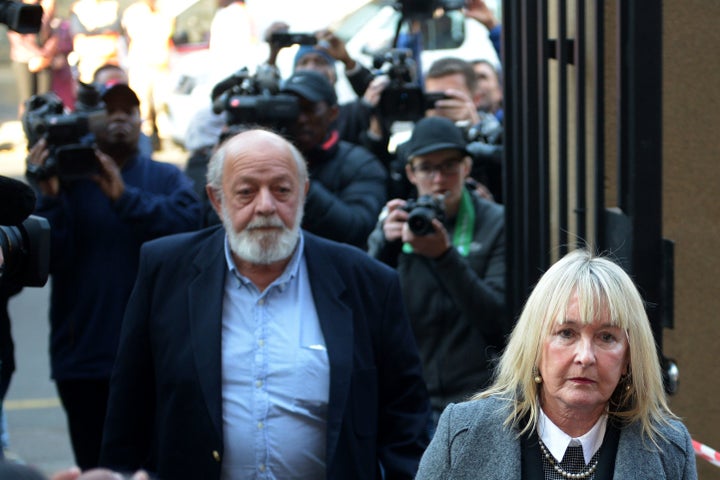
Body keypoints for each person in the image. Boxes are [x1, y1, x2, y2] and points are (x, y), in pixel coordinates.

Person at [99, 128, 431, 479]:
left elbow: (405, 421)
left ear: (303, 194)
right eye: (245, 192)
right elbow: (128, 410)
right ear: (217, 200)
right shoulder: (166, 271)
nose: (266, 206)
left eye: (281, 190)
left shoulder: (367, 282)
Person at [26, 82, 202, 470]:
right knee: (96, 468)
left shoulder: (167, 178)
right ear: (93, 122)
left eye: (130, 109)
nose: (121, 117)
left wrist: (124, 199)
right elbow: (48, 259)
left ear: (142, 121)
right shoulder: (67, 182)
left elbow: (191, 230)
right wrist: (49, 198)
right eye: (111, 110)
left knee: (152, 466)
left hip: (155, 355)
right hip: (84, 357)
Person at [415, 249, 698, 479]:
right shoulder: (464, 433)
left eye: (606, 337)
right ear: (535, 345)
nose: (585, 356)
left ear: (628, 358)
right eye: (567, 333)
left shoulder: (669, 450)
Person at [368, 116, 507, 427]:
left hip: (481, 398)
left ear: (466, 168)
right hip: (410, 398)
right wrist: (383, 247)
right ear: (410, 173)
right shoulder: (399, 224)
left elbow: (499, 324)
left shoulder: (497, 223)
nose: (439, 179)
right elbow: (368, 314)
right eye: (427, 168)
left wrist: (445, 257)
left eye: (449, 166)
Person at [121, 0, 174, 149]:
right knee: (142, 105)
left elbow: (167, 33)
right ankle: (145, 140)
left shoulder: (163, 12)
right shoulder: (134, 12)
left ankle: (166, 139)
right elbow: (131, 34)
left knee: (162, 104)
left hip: (160, 66)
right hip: (141, 65)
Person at [69, 0, 122, 84]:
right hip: (88, 64)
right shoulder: (78, 8)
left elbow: (116, 31)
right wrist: (104, 34)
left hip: (110, 63)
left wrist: (92, 34)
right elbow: (79, 36)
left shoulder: (113, 6)